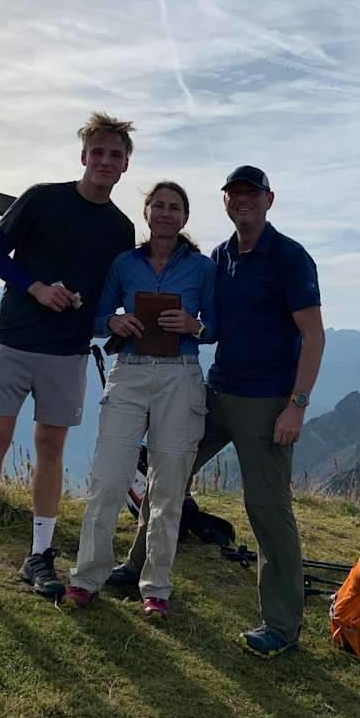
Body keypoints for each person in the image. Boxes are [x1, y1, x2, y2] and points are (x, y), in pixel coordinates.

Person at [109, 165, 324, 657]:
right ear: (225, 201)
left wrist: (297, 406)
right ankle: (135, 565)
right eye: (235, 193)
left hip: (267, 401)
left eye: (252, 193)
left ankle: (282, 626)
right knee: (168, 473)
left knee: (266, 508)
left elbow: (313, 336)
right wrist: (191, 326)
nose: (243, 200)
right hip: (216, 391)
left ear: (270, 199)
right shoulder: (222, 256)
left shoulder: (289, 257)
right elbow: (216, 328)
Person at [0, 112, 136, 607]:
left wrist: (104, 317)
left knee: (50, 448)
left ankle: (40, 556)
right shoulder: (43, 198)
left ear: (126, 164)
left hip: (67, 350)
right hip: (14, 340)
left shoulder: (121, 228)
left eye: (116, 155)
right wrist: (36, 287)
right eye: (99, 152)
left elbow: (106, 293)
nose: (106, 162)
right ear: (83, 156)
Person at [60, 181, 216, 620]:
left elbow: (218, 325)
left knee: (167, 490)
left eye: (175, 207)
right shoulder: (124, 265)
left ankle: (156, 588)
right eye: (158, 206)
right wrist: (116, 319)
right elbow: (95, 317)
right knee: (107, 480)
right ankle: (87, 578)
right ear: (146, 213)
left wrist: (194, 324)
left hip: (180, 377)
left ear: (185, 218)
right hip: (128, 373)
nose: (166, 214)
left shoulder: (203, 270)